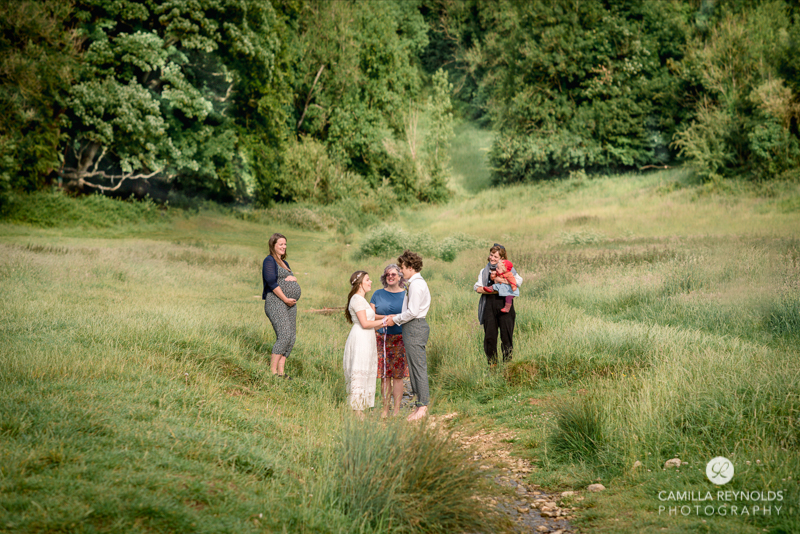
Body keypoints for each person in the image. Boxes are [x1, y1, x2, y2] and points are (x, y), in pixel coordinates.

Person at [386, 250, 431, 421]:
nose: (400, 271)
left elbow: (412, 312)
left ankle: (423, 406)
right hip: (411, 326)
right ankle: (419, 404)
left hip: (415, 326)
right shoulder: (412, 283)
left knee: (418, 367)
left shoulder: (417, 285)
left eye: (402, 267)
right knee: (412, 368)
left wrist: (395, 319)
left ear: (411, 267)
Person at [343, 270, 387, 418]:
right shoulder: (356, 299)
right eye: (368, 280)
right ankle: (357, 410)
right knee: (359, 368)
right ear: (360, 283)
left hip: (368, 338)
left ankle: (361, 407)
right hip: (360, 338)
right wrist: (385, 321)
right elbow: (365, 322)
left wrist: (388, 317)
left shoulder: (362, 300)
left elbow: (372, 316)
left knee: (366, 369)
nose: (371, 282)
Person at [370, 264, 409, 418]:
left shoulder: (406, 294)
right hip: (381, 338)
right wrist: (391, 317)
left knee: (398, 376)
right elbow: (371, 315)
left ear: (400, 276)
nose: (390, 277)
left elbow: (409, 314)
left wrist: (396, 318)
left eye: (393, 274)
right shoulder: (377, 294)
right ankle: (385, 410)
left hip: (400, 338)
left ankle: (397, 410)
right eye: (387, 275)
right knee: (385, 376)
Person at [473, 244, 523, 366]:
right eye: (491, 255)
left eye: (496, 256)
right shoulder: (484, 271)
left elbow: (518, 282)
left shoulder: (509, 270)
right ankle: (492, 366)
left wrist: (498, 285)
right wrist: (502, 288)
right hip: (489, 306)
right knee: (490, 337)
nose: (492, 258)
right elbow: (477, 288)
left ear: (502, 258)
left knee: (506, 336)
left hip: (505, 305)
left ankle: (507, 365)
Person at [262, 233, 301, 379]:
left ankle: (281, 372)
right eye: (281, 244)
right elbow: (271, 282)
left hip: (290, 304)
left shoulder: (285, 263)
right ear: (273, 245)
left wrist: (294, 278)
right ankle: (272, 372)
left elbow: (288, 278)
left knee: (291, 337)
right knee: (284, 335)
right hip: (276, 302)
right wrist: (285, 299)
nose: (284, 247)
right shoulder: (269, 260)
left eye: (285, 244)